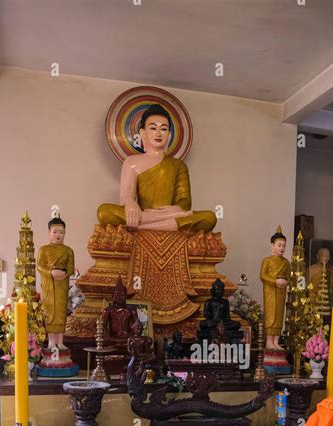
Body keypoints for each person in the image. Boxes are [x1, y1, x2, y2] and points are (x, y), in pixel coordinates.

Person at [97, 104, 216, 233]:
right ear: (143, 132)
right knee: (104, 212)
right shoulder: (131, 162)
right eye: (153, 128)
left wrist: (176, 210)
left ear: (169, 135)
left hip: (160, 217)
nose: (158, 133)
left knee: (209, 217)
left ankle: (142, 227)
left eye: (164, 129)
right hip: (145, 215)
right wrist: (130, 204)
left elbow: (185, 204)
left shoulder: (178, 165)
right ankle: (166, 225)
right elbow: (126, 198)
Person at [37, 218, 74, 349]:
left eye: (61, 232)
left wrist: (64, 273)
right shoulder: (43, 249)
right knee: (50, 310)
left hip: (62, 284)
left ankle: (60, 341)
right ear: (49, 233)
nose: (58, 235)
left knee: (61, 310)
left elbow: (70, 267)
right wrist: (50, 272)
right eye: (55, 232)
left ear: (65, 233)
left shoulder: (68, 250)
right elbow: (39, 266)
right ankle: (51, 341)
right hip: (48, 284)